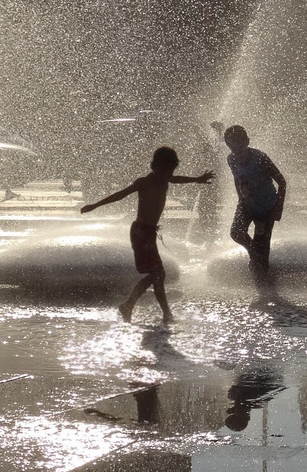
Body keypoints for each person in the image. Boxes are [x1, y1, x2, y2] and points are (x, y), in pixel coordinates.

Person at [81, 145, 213, 324]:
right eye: (166, 170)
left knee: (157, 274)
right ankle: (156, 311)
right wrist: (95, 205)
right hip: (140, 232)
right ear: (156, 167)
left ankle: (137, 307)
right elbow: (120, 195)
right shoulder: (144, 182)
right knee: (158, 273)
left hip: (149, 233)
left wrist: (197, 179)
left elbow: (177, 179)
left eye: (172, 170)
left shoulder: (165, 179)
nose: (169, 174)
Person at [223, 125, 287, 272]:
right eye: (231, 147)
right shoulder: (231, 159)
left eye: (238, 146)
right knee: (236, 232)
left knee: (262, 244)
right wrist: (241, 198)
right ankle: (254, 255)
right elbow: (237, 179)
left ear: (247, 142)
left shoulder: (260, 158)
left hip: (266, 206)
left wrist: (278, 208)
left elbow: (282, 182)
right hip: (246, 204)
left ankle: (266, 286)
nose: (236, 151)